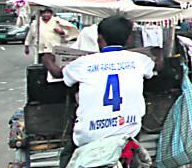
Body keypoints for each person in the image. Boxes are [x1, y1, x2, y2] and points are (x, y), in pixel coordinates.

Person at [56, 14, 153, 147]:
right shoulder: (140, 60)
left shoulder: (83, 63)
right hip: (128, 132)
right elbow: (156, 66)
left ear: (99, 38)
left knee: (67, 153)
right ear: (129, 38)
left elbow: (60, 74)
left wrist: (47, 59)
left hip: (89, 137)